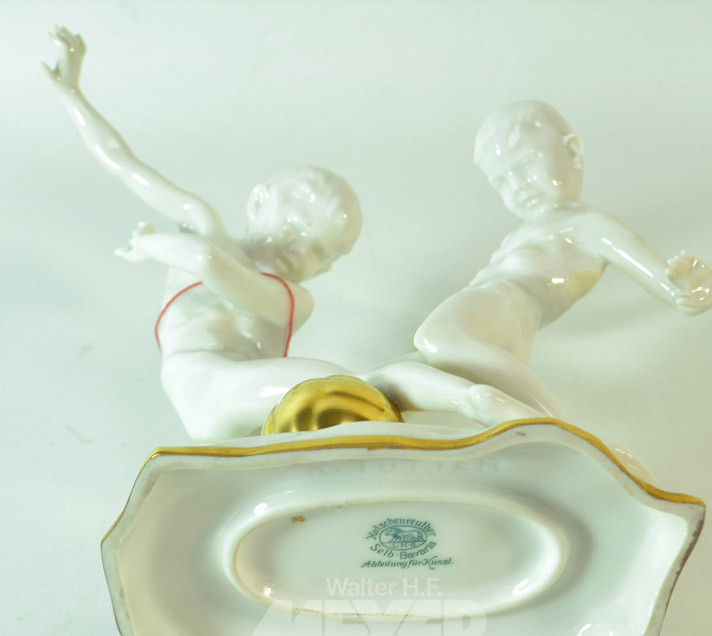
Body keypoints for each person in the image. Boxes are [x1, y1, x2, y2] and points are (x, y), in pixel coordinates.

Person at [44, 27, 538, 441]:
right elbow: (126, 165)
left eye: (318, 249)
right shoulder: (206, 229)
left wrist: (147, 245)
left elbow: (208, 266)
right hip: (206, 385)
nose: (299, 245)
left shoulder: (293, 301)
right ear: (259, 200)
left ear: (327, 268)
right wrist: (73, 94)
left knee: (365, 386)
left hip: (245, 399)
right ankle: (475, 406)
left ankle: (480, 404)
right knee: (359, 385)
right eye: (295, 222)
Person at [414, 101, 712, 416]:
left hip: (505, 304)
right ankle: (484, 404)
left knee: (435, 337)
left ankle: (549, 421)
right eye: (501, 181)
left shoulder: (589, 225)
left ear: (572, 151)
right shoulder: (518, 236)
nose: (517, 186)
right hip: (503, 327)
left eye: (525, 164)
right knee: (398, 372)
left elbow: (665, 280)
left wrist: (696, 290)